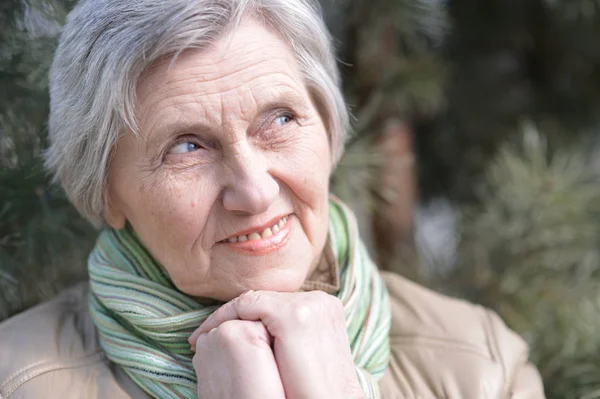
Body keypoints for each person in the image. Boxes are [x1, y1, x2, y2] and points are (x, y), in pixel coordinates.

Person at [0, 0, 546, 398]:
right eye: (187, 146)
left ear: (329, 131)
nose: (255, 191)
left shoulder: (481, 365)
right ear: (104, 192)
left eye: (280, 119)